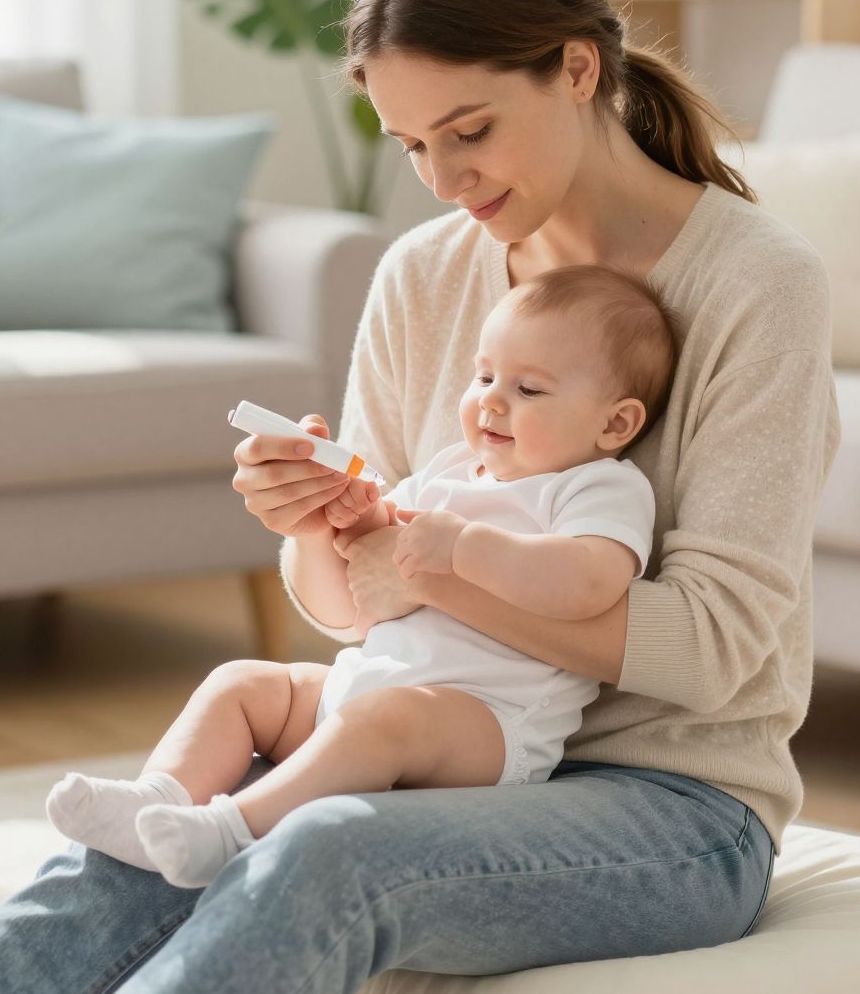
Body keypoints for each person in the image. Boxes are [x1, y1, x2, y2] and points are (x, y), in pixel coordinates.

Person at [0, 0, 838, 994]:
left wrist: (432, 569)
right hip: (427, 738)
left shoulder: (757, 286)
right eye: (413, 146)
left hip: (668, 810)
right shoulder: (424, 275)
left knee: (323, 851)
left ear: (577, 70)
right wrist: (316, 525)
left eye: (470, 131)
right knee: (139, 848)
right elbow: (357, 615)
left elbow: (712, 651)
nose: (443, 179)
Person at [43, 265, 672, 890]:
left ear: (614, 424)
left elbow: (589, 585)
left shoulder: (597, 486)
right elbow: (362, 598)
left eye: (529, 389)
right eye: (484, 376)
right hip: (366, 687)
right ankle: (157, 799)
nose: (491, 400)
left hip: (487, 724)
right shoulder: (450, 471)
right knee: (243, 683)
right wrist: (353, 519)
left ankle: (233, 832)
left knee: (383, 720)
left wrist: (463, 547)